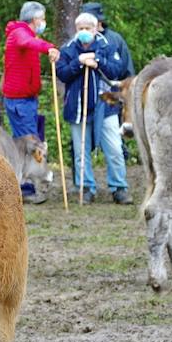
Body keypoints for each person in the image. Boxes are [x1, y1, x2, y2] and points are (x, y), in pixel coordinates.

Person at [56, 12, 130, 204]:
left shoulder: (107, 46)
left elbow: (117, 70)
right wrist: (79, 63)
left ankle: (119, 187)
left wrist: (98, 62)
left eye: (88, 28)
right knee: (81, 152)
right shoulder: (68, 49)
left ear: (96, 28)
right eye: (81, 29)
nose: (84, 32)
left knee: (114, 149)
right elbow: (62, 73)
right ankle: (86, 187)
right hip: (78, 109)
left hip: (106, 107)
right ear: (76, 29)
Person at [1, 1, 60, 204]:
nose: (44, 22)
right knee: (28, 143)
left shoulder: (25, 33)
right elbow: (28, 43)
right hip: (19, 101)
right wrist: (49, 48)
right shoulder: (20, 33)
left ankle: (26, 184)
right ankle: (25, 187)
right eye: (42, 19)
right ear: (35, 19)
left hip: (26, 99)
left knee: (28, 140)